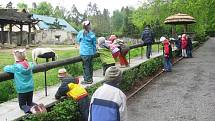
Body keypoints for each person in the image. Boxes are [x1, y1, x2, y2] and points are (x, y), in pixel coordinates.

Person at [3, 49, 39, 114]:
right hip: (30, 88)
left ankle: (30, 110)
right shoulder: (29, 65)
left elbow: (5, 68)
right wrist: (26, 61)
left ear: (16, 58)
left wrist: (14, 63)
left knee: (22, 105)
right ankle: (36, 106)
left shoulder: (16, 67)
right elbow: (33, 64)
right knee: (30, 102)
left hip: (22, 90)